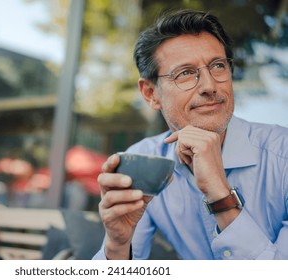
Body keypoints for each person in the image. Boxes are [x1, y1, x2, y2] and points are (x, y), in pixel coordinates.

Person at [93, 9, 288, 260]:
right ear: (151, 94)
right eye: (185, 73)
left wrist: (221, 196)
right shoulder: (144, 161)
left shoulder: (283, 157)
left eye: (218, 66)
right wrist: (117, 245)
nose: (209, 86)